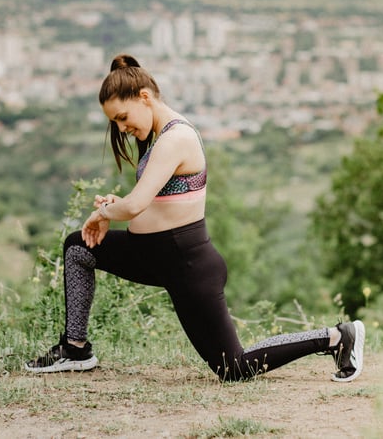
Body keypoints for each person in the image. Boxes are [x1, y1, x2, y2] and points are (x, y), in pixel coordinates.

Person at [25, 54, 365, 382]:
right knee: (78, 248)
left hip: (186, 263)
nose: (122, 127)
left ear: (144, 97)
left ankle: (336, 337)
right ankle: (76, 349)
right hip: (151, 255)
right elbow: (150, 200)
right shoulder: (158, 137)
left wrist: (103, 213)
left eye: (123, 117)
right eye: (115, 121)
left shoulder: (176, 138)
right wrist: (116, 204)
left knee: (233, 367)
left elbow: (135, 206)